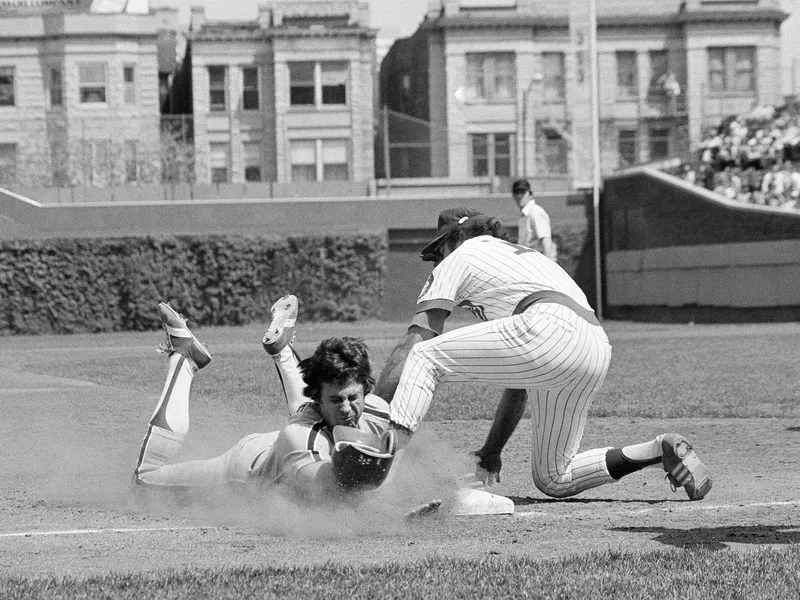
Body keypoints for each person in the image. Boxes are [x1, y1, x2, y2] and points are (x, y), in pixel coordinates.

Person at [374, 207, 712, 501]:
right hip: (593, 345)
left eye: (439, 249)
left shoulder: (462, 254)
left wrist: (369, 414)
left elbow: (415, 342)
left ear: (455, 238)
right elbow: (519, 377)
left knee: (424, 357)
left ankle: (381, 481)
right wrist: (492, 451)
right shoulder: (521, 259)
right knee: (554, 478)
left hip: (549, 327)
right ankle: (658, 449)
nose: (437, 258)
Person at [133, 296, 396, 506]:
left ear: (365, 389)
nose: (348, 408)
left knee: (317, 418)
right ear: (317, 397)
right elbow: (328, 488)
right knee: (145, 480)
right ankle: (184, 357)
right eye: (337, 400)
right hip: (241, 472)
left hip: (280, 447)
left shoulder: (376, 410)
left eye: (354, 397)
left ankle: (282, 352)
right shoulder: (300, 436)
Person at [511, 178, 557, 262]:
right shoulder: (525, 213)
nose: (519, 196)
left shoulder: (534, 212)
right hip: (530, 262)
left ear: (530, 195)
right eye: (516, 192)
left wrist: (547, 265)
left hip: (539, 262)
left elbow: (545, 240)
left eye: (523, 192)